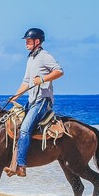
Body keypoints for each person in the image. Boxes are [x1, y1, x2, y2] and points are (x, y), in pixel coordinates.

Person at [4, 28, 64, 177]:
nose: (26, 43)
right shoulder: (30, 58)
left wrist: (43, 79)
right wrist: (16, 96)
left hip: (43, 101)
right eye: (26, 41)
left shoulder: (44, 56)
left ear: (37, 41)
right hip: (31, 101)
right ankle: (12, 162)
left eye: (28, 41)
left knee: (24, 129)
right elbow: (26, 81)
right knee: (15, 124)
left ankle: (21, 166)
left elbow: (59, 71)